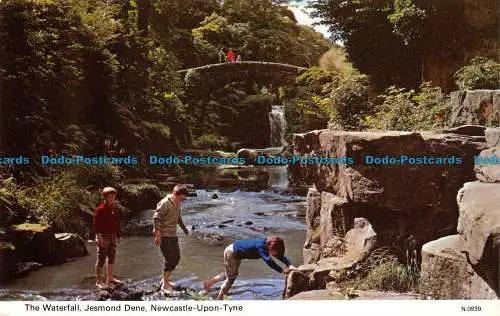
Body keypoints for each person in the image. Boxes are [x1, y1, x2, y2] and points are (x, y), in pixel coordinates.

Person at [202, 236, 298, 300]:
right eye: (275, 251)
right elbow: (269, 261)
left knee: (230, 273)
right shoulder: (261, 247)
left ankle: (209, 283)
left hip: (235, 252)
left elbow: (278, 255)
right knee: (231, 278)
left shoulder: (268, 245)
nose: (276, 254)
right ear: (270, 247)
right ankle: (220, 299)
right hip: (232, 252)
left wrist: (289, 264)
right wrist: (281, 270)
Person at [153, 184, 190, 293]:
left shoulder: (178, 203)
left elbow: (178, 217)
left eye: (184, 198)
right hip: (164, 235)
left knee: (176, 257)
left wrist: (184, 228)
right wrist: (157, 235)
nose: (183, 200)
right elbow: (156, 218)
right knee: (169, 259)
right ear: (175, 194)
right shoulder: (165, 203)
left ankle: (165, 280)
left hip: (172, 234)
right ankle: (165, 284)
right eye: (181, 198)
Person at [93, 186, 123, 289]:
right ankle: (98, 281)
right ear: (105, 197)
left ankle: (109, 277)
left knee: (112, 256)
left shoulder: (115, 208)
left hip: (113, 235)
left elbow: (117, 223)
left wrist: (119, 235)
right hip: (103, 236)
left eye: (113, 196)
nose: (111, 198)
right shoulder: (100, 209)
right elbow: (96, 225)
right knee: (101, 258)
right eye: (109, 196)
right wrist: (98, 236)